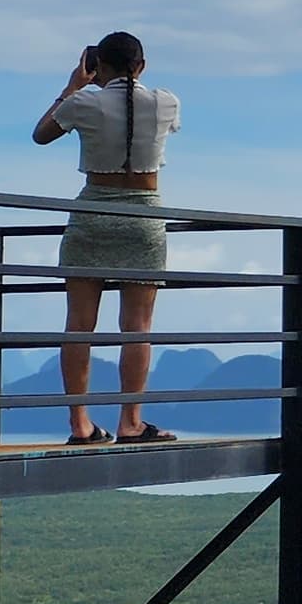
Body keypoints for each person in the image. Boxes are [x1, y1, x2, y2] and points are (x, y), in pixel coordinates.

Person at [32, 32, 183, 445]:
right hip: (144, 220)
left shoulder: (83, 101)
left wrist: (73, 87)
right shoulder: (167, 101)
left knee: (79, 326)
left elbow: (41, 134)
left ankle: (80, 424)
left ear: (98, 66)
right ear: (142, 65)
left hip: (92, 216)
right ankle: (131, 422)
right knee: (138, 327)